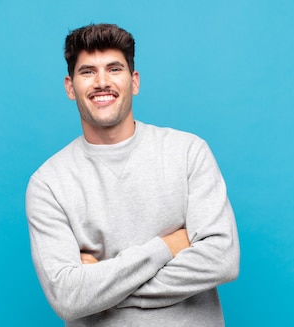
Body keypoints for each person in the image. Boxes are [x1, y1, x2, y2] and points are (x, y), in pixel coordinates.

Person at [25, 23, 240, 326]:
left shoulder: (189, 152)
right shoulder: (48, 184)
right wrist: (167, 246)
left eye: (114, 69)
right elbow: (68, 297)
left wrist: (105, 289)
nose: (102, 82)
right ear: (70, 87)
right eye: (88, 72)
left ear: (134, 81)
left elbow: (222, 259)